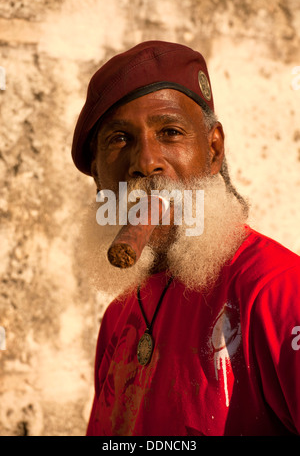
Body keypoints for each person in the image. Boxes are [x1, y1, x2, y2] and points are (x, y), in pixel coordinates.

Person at [72, 41, 300, 436]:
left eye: (170, 132)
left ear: (213, 151)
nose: (146, 162)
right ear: (97, 176)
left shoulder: (277, 291)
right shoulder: (117, 321)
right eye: (120, 139)